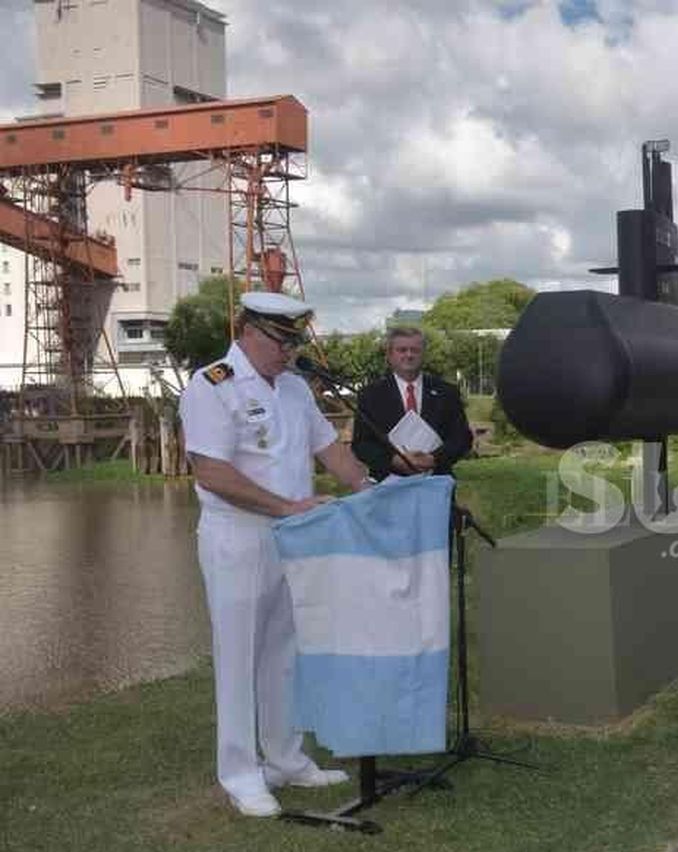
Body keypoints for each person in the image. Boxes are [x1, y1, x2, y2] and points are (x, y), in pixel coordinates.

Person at [180, 292, 372, 817]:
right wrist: (288, 506)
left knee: (285, 651)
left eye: (293, 342)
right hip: (237, 536)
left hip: (292, 535)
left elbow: (330, 450)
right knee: (239, 655)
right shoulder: (212, 384)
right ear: (248, 331)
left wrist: (371, 488)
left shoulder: (292, 389)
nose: (288, 353)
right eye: (281, 341)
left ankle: (286, 758)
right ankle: (241, 772)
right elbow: (212, 472)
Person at [353, 325, 474, 480]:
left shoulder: (447, 393)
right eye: (402, 350)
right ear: (389, 355)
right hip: (389, 484)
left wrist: (434, 459)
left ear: (423, 354)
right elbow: (361, 444)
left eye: (415, 350)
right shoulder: (370, 395)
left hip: (436, 481)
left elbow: (462, 438)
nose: (409, 355)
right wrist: (394, 461)